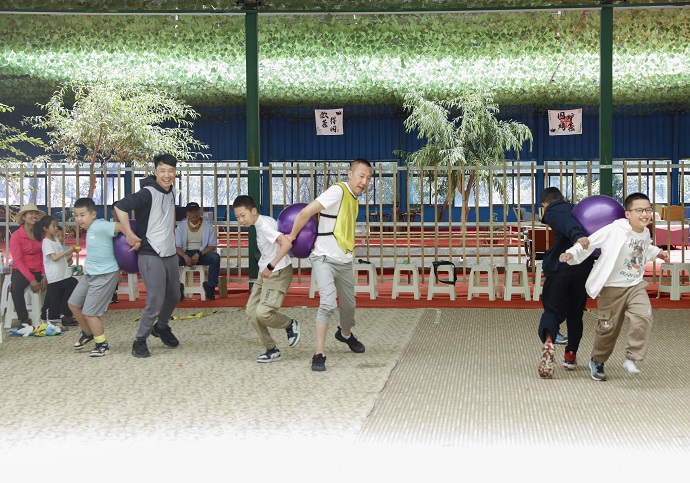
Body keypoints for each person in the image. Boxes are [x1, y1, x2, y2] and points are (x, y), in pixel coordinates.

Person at [560, 192, 669, 381]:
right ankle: (597, 360)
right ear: (628, 214)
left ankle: (632, 357)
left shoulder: (645, 232)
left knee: (643, 317)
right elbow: (590, 242)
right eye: (639, 210)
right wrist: (571, 253)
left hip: (635, 285)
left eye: (648, 210)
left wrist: (658, 252)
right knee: (608, 329)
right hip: (612, 288)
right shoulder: (614, 229)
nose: (645, 214)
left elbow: (643, 249)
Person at [286, 158, 373, 371]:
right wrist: (292, 237)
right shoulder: (337, 191)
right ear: (350, 174)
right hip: (323, 258)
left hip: (344, 260)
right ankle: (319, 354)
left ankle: (344, 334)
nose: (364, 182)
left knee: (349, 306)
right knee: (327, 303)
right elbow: (305, 212)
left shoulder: (354, 199)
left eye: (368, 178)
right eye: (361, 176)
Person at [114, 153, 181, 358]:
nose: (167, 175)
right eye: (162, 171)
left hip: (169, 252)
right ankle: (140, 340)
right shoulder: (148, 192)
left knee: (174, 295)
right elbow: (120, 207)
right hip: (150, 252)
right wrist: (129, 234)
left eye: (171, 171)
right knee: (155, 298)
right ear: (155, 171)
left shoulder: (171, 191)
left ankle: (161, 327)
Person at [233, 195, 299, 363]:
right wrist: (266, 268)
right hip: (265, 272)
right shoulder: (261, 221)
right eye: (237, 217)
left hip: (277, 272)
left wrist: (270, 266)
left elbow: (287, 244)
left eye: (243, 215)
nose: (240, 220)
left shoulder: (264, 226)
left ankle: (290, 324)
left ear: (253, 211)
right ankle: (271, 349)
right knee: (251, 312)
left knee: (263, 313)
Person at [536, 187, 594, 379]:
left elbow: (566, 223)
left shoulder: (554, 210)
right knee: (575, 313)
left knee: (552, 311)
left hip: (560, 267)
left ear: (545, 204)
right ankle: (570, 355)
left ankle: (549, 341)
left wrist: (577, 236)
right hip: (582, 268)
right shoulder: (578, 209)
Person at [68, 198, 128, 357]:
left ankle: (102, 345)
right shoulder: (90, 228)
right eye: (76, 215)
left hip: (105, 274)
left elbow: (122, 227)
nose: (79, 219)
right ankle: (88, 333)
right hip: (90, 273)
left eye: (82, 215)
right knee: (73, 304)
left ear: (93, 214)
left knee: (90, 313)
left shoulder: (101, 225)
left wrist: (133, 240)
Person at [35, 215, 80, 331]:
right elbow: (54, 257)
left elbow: (61, 257)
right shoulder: (46, 242)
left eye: (56, 226)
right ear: (45, 229)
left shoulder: (55, 240)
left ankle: (64, 313)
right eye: (53, 226)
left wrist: (71, 253)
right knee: (53, 300)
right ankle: (53, 322)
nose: (56, 228)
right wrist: (68, 250)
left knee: (73, 283)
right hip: (55, 277)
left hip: (63, 275)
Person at [9, 203, 48, 326]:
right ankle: (24, 319)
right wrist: (31, 279)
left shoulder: (41, 235)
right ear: (24, 217)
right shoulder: (16, 236)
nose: (34, 216)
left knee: (56, 282)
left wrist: (44, 275)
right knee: (15, 287)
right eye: (31, 213)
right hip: (22, 270)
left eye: (36, 213)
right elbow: (18, 261)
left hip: (39, 269)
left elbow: (44, 256)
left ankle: (52, 316)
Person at [175, 202, 221, 301]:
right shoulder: (181, 226)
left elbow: (212, 246)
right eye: (191, 212)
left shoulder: (208, 225)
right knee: (171, 259)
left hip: (202, 253)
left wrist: (199, 254)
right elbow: (177, 246)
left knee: (215, 257)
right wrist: (185, 256)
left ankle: (210, 288)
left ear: (200, 212)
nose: (194, 214)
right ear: (187, 213)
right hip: (186, 253)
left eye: (196, 211)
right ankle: (177, 287)